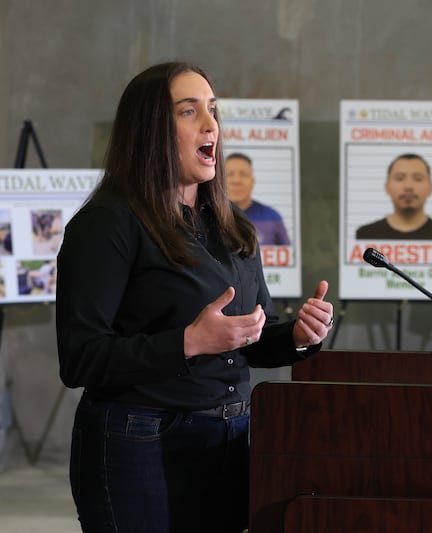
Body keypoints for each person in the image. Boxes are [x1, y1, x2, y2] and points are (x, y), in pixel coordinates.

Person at [56, 62, 334, 533]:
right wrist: (187, 341)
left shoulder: (233, 228)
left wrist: (300, 337)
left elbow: (249, 339)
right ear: (150, 130)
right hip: (138, 441)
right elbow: (80, 358)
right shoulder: (107, 224)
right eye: (189, 112)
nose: (211, 126)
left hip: (228, 439)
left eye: (212, 110)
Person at [355, 153, 432, 240]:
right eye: (399, 178)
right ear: (387, 187)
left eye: (418, 179)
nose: (408, 186)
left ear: (430, 188)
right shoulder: (365, 235)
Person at [225, 152, 290, 246]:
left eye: (243, 174)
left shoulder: (272, 217)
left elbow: (288, 254)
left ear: (252, 182)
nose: (236, 181)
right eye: (229, 174)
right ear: (220, 181)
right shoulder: (210, 216)